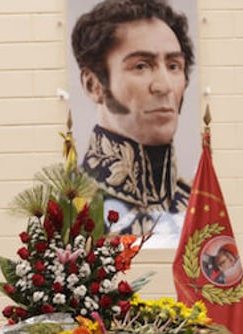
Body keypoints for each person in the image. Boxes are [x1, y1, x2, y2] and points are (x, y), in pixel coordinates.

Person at [71, 0, 195, 248]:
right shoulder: (72, 207)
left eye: (173, 66)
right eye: (141, 66)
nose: (164, 86)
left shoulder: (195, 203)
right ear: (93, 85)